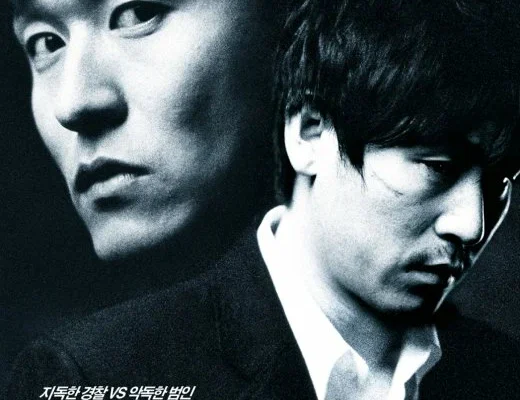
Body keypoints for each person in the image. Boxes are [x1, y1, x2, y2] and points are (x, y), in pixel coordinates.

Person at [7, 0, 520, 399]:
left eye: (499, 185)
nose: (472, 224)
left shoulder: (502, 373)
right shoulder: (88, 375)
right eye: (44, 42)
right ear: (309, 132)